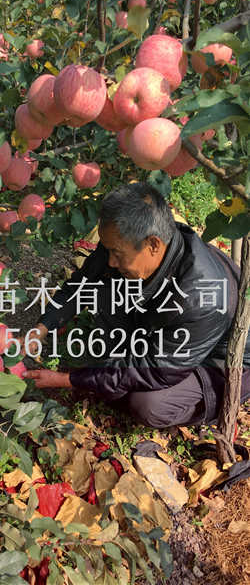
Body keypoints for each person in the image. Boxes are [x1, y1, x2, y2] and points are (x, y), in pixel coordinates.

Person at [22, 182, 250, 428]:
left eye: (117, 253)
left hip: (216, 362)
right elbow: (83, 285)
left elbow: (156, 369)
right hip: (166, 331)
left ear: (153, 245)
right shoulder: (125, 238)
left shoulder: (202, 300)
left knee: (149, 404)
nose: (111, 260)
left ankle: (196, 406)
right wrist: (40, 329)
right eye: (108, 249)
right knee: (105, 289)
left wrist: (67, 379)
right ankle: (115, 371)